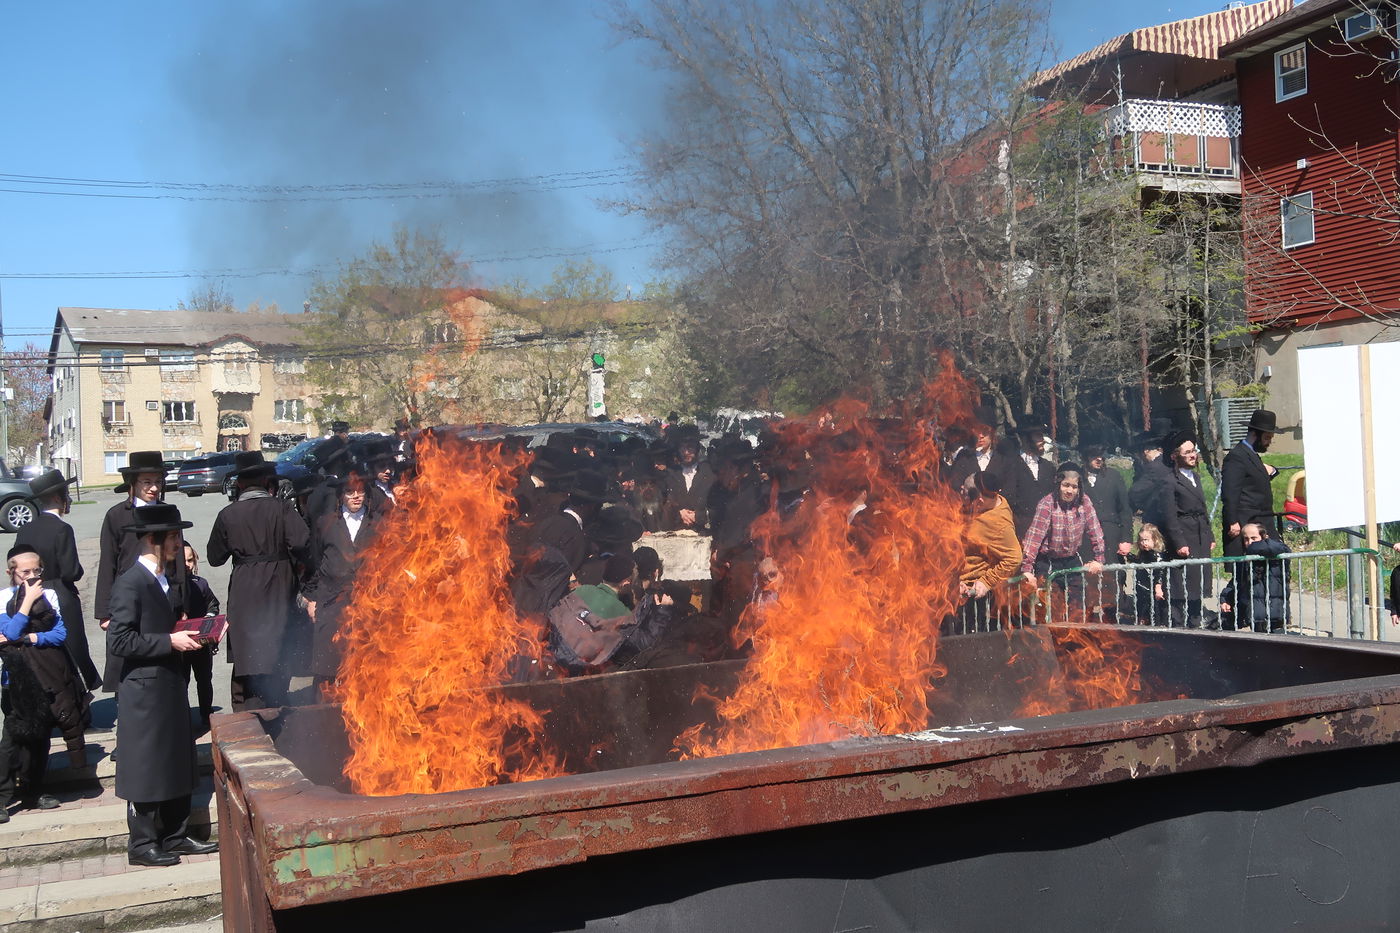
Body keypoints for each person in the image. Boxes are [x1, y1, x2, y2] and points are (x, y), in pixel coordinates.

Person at [106, 503, 217, 867]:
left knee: (176, 760)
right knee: (147, 765)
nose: (178, 544)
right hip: (144, 691)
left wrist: (193, 631)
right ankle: (142, 844)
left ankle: (175, 834)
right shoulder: (130, 582)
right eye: (172, 537)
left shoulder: (165, 579)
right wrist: (169, 641)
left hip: (170, 684)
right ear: (153, 540)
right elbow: (119, 641)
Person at [206, 452, 310, 711]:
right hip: (279, 584)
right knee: (278, 648)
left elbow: (215, 558)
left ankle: (249, 713)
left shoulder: (228, 514)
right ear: (266, 481)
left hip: (245, 589)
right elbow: (302, 543)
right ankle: (278, 710)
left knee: (248, 653)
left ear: (240, 483)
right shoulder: (282, 508)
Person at [0, 545, 90, 814]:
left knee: (40, 739)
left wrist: (30, 637)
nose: (32, 577)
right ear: (11, 572)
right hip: (17, 680)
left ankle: (33, 791)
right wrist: (27, 602)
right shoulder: (4, 597)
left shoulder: (49, 595)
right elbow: (9, 632)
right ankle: (3, 795)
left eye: (36, 571)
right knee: (12, 740)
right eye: (25, 572)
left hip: (47, 676)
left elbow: (59, 634)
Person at [94, 451, 173, 692]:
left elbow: (178, 561)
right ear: (133, 483)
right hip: (128, 597)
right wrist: (104, 612)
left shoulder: (169, 512)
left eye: (158, 481)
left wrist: (183, 603)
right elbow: (108, 562)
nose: (154, 488)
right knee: (127, 657)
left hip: (160, 594)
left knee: (163, 652)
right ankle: (127, 701)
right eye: (147, 482)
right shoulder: (117, 515)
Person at [14, 469, 100, 689]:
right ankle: (79, 697)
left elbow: (16, 564)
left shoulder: (25, 529)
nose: (69, 499)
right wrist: (78, 571)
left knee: (43, 653)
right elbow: (71, 571)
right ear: (56, 498)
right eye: (66, 494)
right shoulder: (62, 528)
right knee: (72, 648)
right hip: (59, 593)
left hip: (30, 595)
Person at [304, 470, 382, 697]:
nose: (356, 496)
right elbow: (314, 562)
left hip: (368, 601)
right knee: (327, 666)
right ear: (341, 496)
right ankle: (323, 710)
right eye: (350, 492)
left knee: (366, 662)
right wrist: (312, 599)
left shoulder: (378, 523)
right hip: (332, 600)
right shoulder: (325, 523)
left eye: (360, 491)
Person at [1019, 464, 1105, 615]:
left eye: (1074, 487)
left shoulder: (1084, 502)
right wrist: (1027, 569)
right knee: (1051, 609)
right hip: (1049, 562)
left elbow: (1095, 530)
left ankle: (1076, 628)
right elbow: (1034, 538)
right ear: (1058, 484)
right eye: (1066, 485)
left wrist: (1099, 559)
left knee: (1078, 607)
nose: (1069, 491)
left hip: (1072, 559)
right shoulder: (1047, 504)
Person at [1158, 430, 1217, 629]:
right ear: (1175, 456)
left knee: (1198, 580)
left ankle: (1195, 620)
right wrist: (1179, 543)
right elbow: (1169, 516)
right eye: (1188, 452)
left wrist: (1210, 535)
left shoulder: (1195, 477)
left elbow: (1203, 509)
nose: (1193, 455)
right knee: (1182, 582)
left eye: (1194, 451)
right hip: (1184, 535)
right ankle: (1177, 623)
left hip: (1199, 534)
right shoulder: (1169, 481)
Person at [956, 471, 1022, 632]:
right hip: (953, 586)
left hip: (971, 599)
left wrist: (987, 581)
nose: (961, 492)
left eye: (965, 493)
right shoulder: (990, 502)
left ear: (979, 502)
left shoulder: (998, 524)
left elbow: (1014, 558)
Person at [1221, 409, 1280, 556]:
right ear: (1255, 434)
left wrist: (1273, 470)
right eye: (1267, 437)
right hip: (1244, 522)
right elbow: (1230, 491)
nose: (1269, 442)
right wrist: (1232, 521)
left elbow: (1255, 479)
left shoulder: (1251, 456)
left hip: (1262, 522)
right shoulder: (1237, 457)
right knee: (1244, 566)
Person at [175, 545, 220, 726]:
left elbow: (213, 604)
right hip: (180, 643)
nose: (186, 564)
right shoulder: (170, 585)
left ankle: (206, 713)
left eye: (190, 560)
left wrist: (209, 620)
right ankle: (183, 716)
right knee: (182, 681)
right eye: (182, 560)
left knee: (204, 679)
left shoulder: (201, 583)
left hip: (201, 642)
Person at [1219, 523, 1291, 634]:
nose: (1249, 542)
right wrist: (1225, 599)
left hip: (1274, 612)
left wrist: (1253, 548)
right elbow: (1235, 583)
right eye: (1246, 539)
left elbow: (1282, 548)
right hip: (1254, 613)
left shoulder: (1275, 555)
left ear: (1264, 537)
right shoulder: (1244, 560)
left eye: (1254, 538)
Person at [1004, 422, 1056, 537]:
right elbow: (1008, 499)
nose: (1043, 440)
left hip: (1048, 531)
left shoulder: (1048, 467)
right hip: (1021, 531)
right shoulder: (1010, 465)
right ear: (1025, 439)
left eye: (1042, 435)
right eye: (1038, 436)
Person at [1081, 446, 1133, 562]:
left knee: (1113, 571)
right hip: (1085, 536)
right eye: (1094, 456)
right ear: (1086, 457)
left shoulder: (1114, 476)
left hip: (1111, 535)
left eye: (1101, 455)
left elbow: (1125, 509)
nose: (1099, 459)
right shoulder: (1078, 478)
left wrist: (1126, 539)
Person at [662, 429, 716, 532]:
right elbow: (663, 503)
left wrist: (699, 516)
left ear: (697, 448)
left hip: (703, 532)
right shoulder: (670, 474)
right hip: (675, 532)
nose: (686, 452)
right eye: (682, 447)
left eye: (690, 447)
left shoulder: (709, 473)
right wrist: (678, 513)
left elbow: (718, 506)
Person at [1127, 524, 1169, 626]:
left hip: (1153, 588)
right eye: (1142, 540)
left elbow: (1160, 571)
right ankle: (1141, 623)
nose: (1144, 543)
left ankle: (1156, 626)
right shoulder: (1142, 553)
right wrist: (1128, 555)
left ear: (1155, 540)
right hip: (1141, 587)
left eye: (1147, 540)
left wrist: (1158, 587)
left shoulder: (1157, 555)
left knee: (1154, 611)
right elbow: (1138, 562)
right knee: (1141, 610)